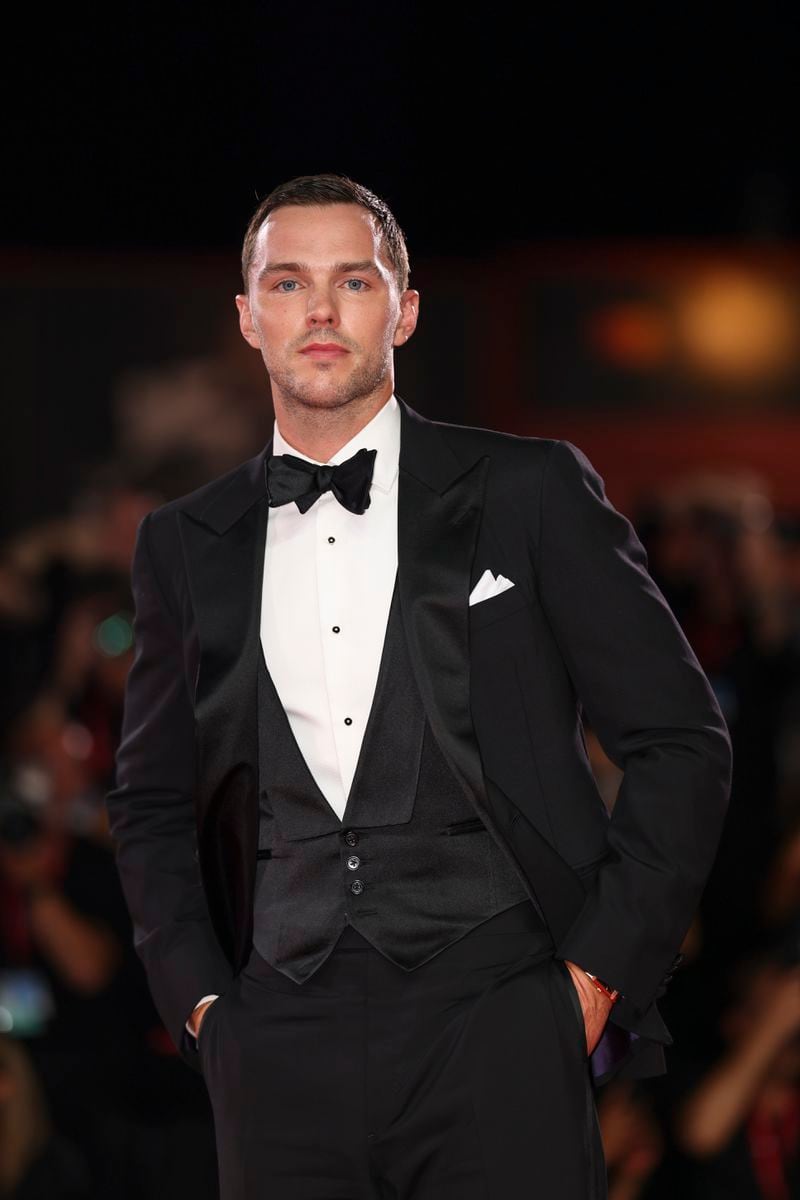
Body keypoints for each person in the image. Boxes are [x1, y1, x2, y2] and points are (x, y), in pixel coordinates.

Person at [105, 173, 733, 1200]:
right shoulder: (184, 544)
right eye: (287, 282)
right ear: (247, 316)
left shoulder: (528, 491)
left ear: (401, 308)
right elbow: (151, 799)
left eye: (351, 280)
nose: (318, 309)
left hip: (499, 1019)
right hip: (274, 1038)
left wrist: (590, 980)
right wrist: (204, 1008)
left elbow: (679, 743)